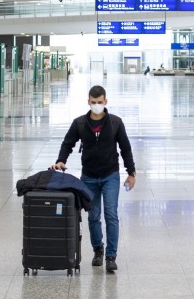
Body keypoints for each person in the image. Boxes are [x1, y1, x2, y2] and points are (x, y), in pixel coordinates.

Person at [53, 85, 136, 273]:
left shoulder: (115, 123)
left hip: (110, 175)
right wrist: (60, 161)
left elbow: (126, 149)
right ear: (88, 101)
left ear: (105, 102)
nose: (97, 105)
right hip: (89, 177)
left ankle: (111, 256)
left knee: (111, 214)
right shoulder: (80, 123)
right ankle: (98, 249)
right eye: (93, 102)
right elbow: (68, 143)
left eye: (100, 102)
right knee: (93, 215)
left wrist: (131, 173)